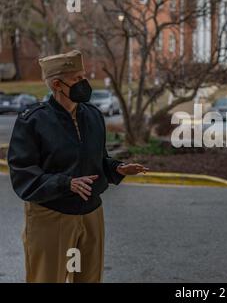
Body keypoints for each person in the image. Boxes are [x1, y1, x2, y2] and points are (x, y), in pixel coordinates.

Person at [8, 50, 149, 283]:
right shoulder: (33, 121)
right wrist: (66, 183)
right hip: (51, 215)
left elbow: (97, 160)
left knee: (90, 278)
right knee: (46, 278)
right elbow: (23, 173)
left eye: (83, 76)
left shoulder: (93, 116)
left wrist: (117, 168)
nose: (84, 83)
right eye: (77, 79)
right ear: (57, 84)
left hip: (92, 213)